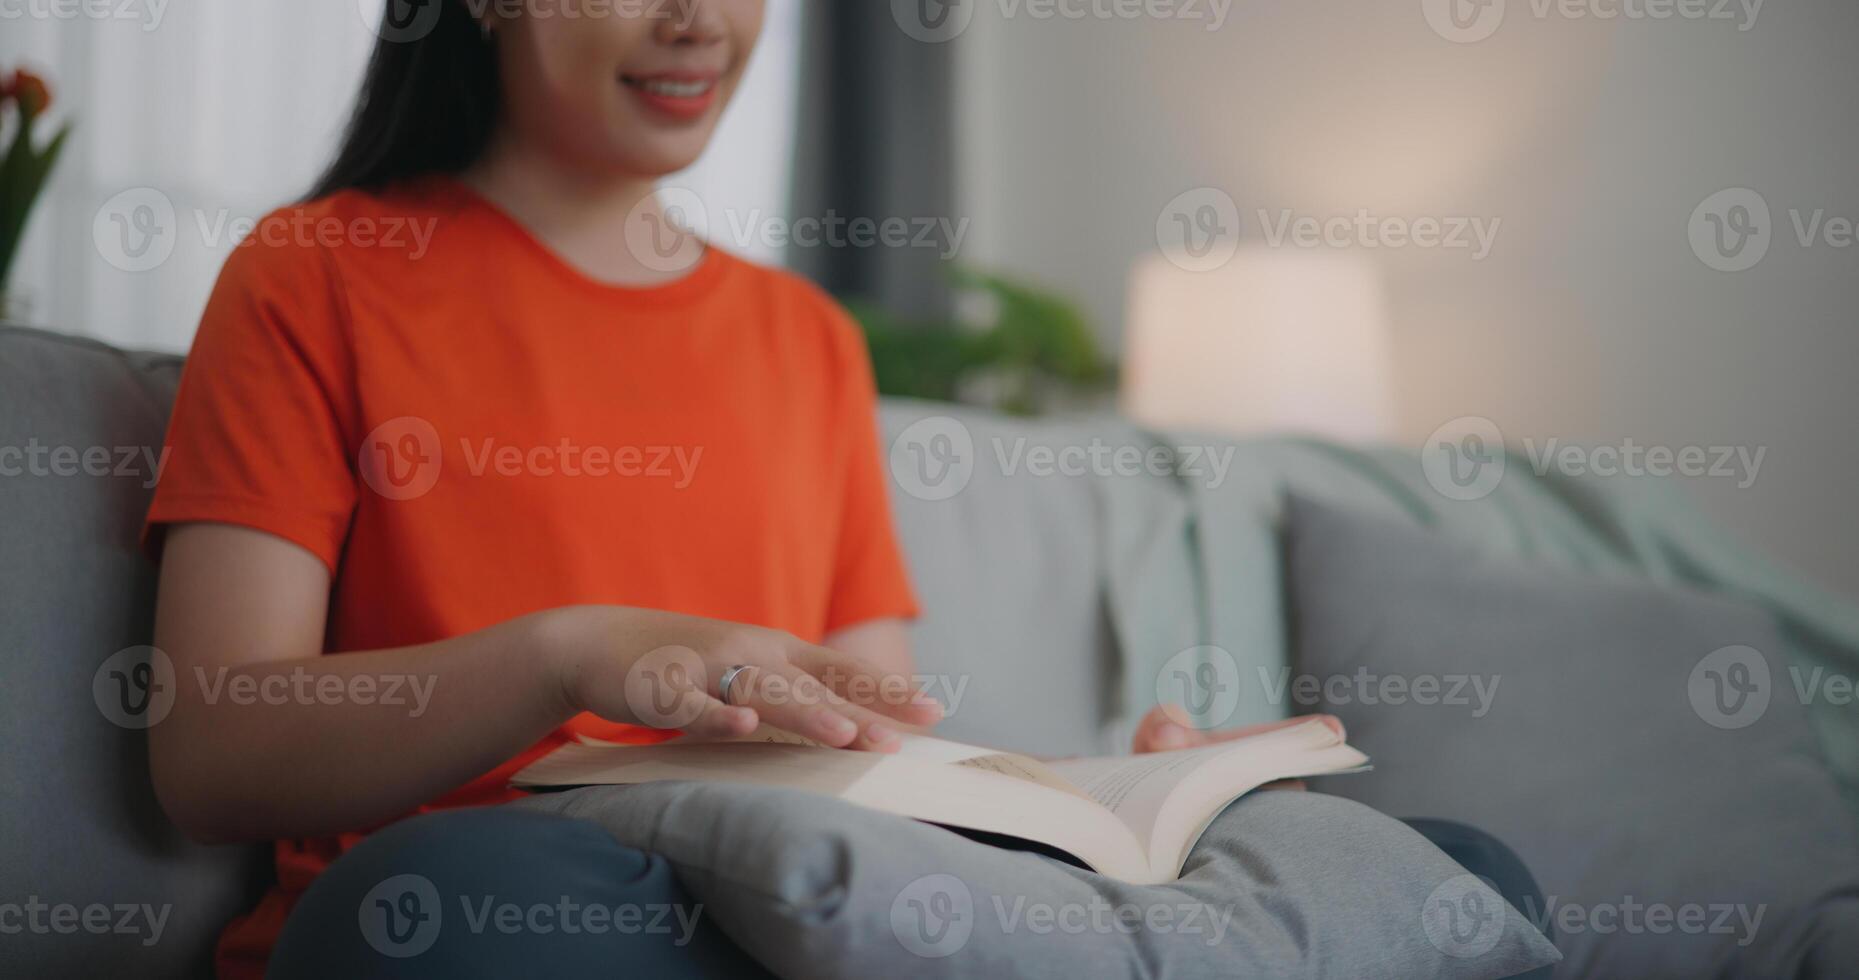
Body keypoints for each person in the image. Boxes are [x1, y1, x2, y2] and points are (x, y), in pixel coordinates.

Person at [146, 4, 1548, 977]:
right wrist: (576, 655)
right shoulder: (313, 274)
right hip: (536, 901)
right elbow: (208, 748)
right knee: (433, 911)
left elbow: (878, 738)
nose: (700, 19)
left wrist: (1136, 787)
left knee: (1454, 872)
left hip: (809, 891)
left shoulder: (803, 341)